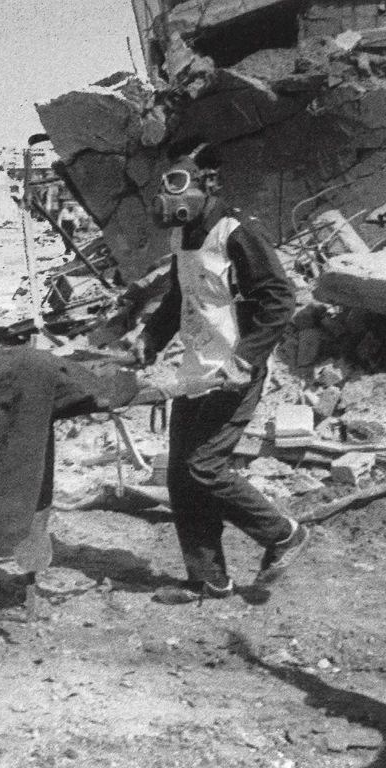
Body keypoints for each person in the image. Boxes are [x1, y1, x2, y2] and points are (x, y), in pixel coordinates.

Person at [132, 143, 309, 603]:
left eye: (176, 183)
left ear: (206, 183)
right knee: (180, 477)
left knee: (203, 466)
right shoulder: (182, 236)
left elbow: (279, 300)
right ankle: (209, 579)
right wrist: (151, 338)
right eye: (164, 183)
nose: (168, 195)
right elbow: (179, 298)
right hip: (197, 370)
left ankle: (283, 533)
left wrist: (245, 358)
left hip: (235, 370)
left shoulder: (237, 233)